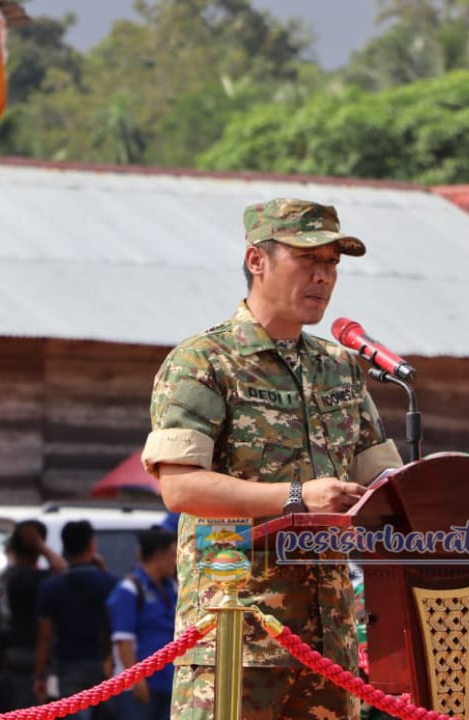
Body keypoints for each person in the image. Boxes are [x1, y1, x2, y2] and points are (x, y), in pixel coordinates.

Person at [142, 197, 403, 720]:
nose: (323, 276)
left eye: (331, 263)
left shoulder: (340, 368)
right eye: (307, 259)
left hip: (329, 645)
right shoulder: (204, 362)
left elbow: (384, 481)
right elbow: (180, 487)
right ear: (256, 260)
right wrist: (298, 497)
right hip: (237, 638)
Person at [34, 520, 117, 720]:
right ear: (92, 544)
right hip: (102, 666)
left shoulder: (51, 587)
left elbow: (45, 636)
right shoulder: (110, 583)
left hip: (67, 665)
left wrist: (39, 675)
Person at [0, 519, 67, 712]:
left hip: (6, 656)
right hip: (31, 656)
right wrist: (40, 545)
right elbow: (63, 572)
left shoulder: (5, 576)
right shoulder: (33, 578)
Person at [107, 528, 178, 720]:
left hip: (168, 683)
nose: (175, 561)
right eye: (172, 555)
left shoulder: (172, 588)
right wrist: (137, 680)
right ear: (158, 555)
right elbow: (124, 641)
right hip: (138, 686)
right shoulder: (129, 589)